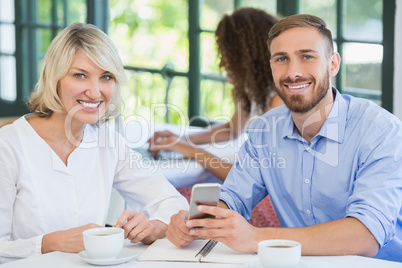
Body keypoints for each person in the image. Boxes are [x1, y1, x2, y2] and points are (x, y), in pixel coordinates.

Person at [166, 14, 402, 262]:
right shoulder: (265, 131)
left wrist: (256, 237)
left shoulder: (380, 131)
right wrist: (197, 221)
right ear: (271, 66)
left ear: (333, 64)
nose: (293, 72)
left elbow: (365, 236)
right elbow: (233, 197)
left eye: (307, 56)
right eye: (281, 59)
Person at [0, 22, 188, 264]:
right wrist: (50, 243)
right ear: (54, 78)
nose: (95, 91)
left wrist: (153, 227)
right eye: (80, 75)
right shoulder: (8, 147)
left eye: (106, 77)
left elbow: (172, 202)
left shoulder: (107, 140)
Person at [148, 7, 283, 181]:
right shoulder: (257, 88)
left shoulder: (280, 101)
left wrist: (193, 152)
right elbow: (231, 130)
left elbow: (252, 180)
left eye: (227, 56)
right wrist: (180, 140)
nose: (222, 63)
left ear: (247, 58)